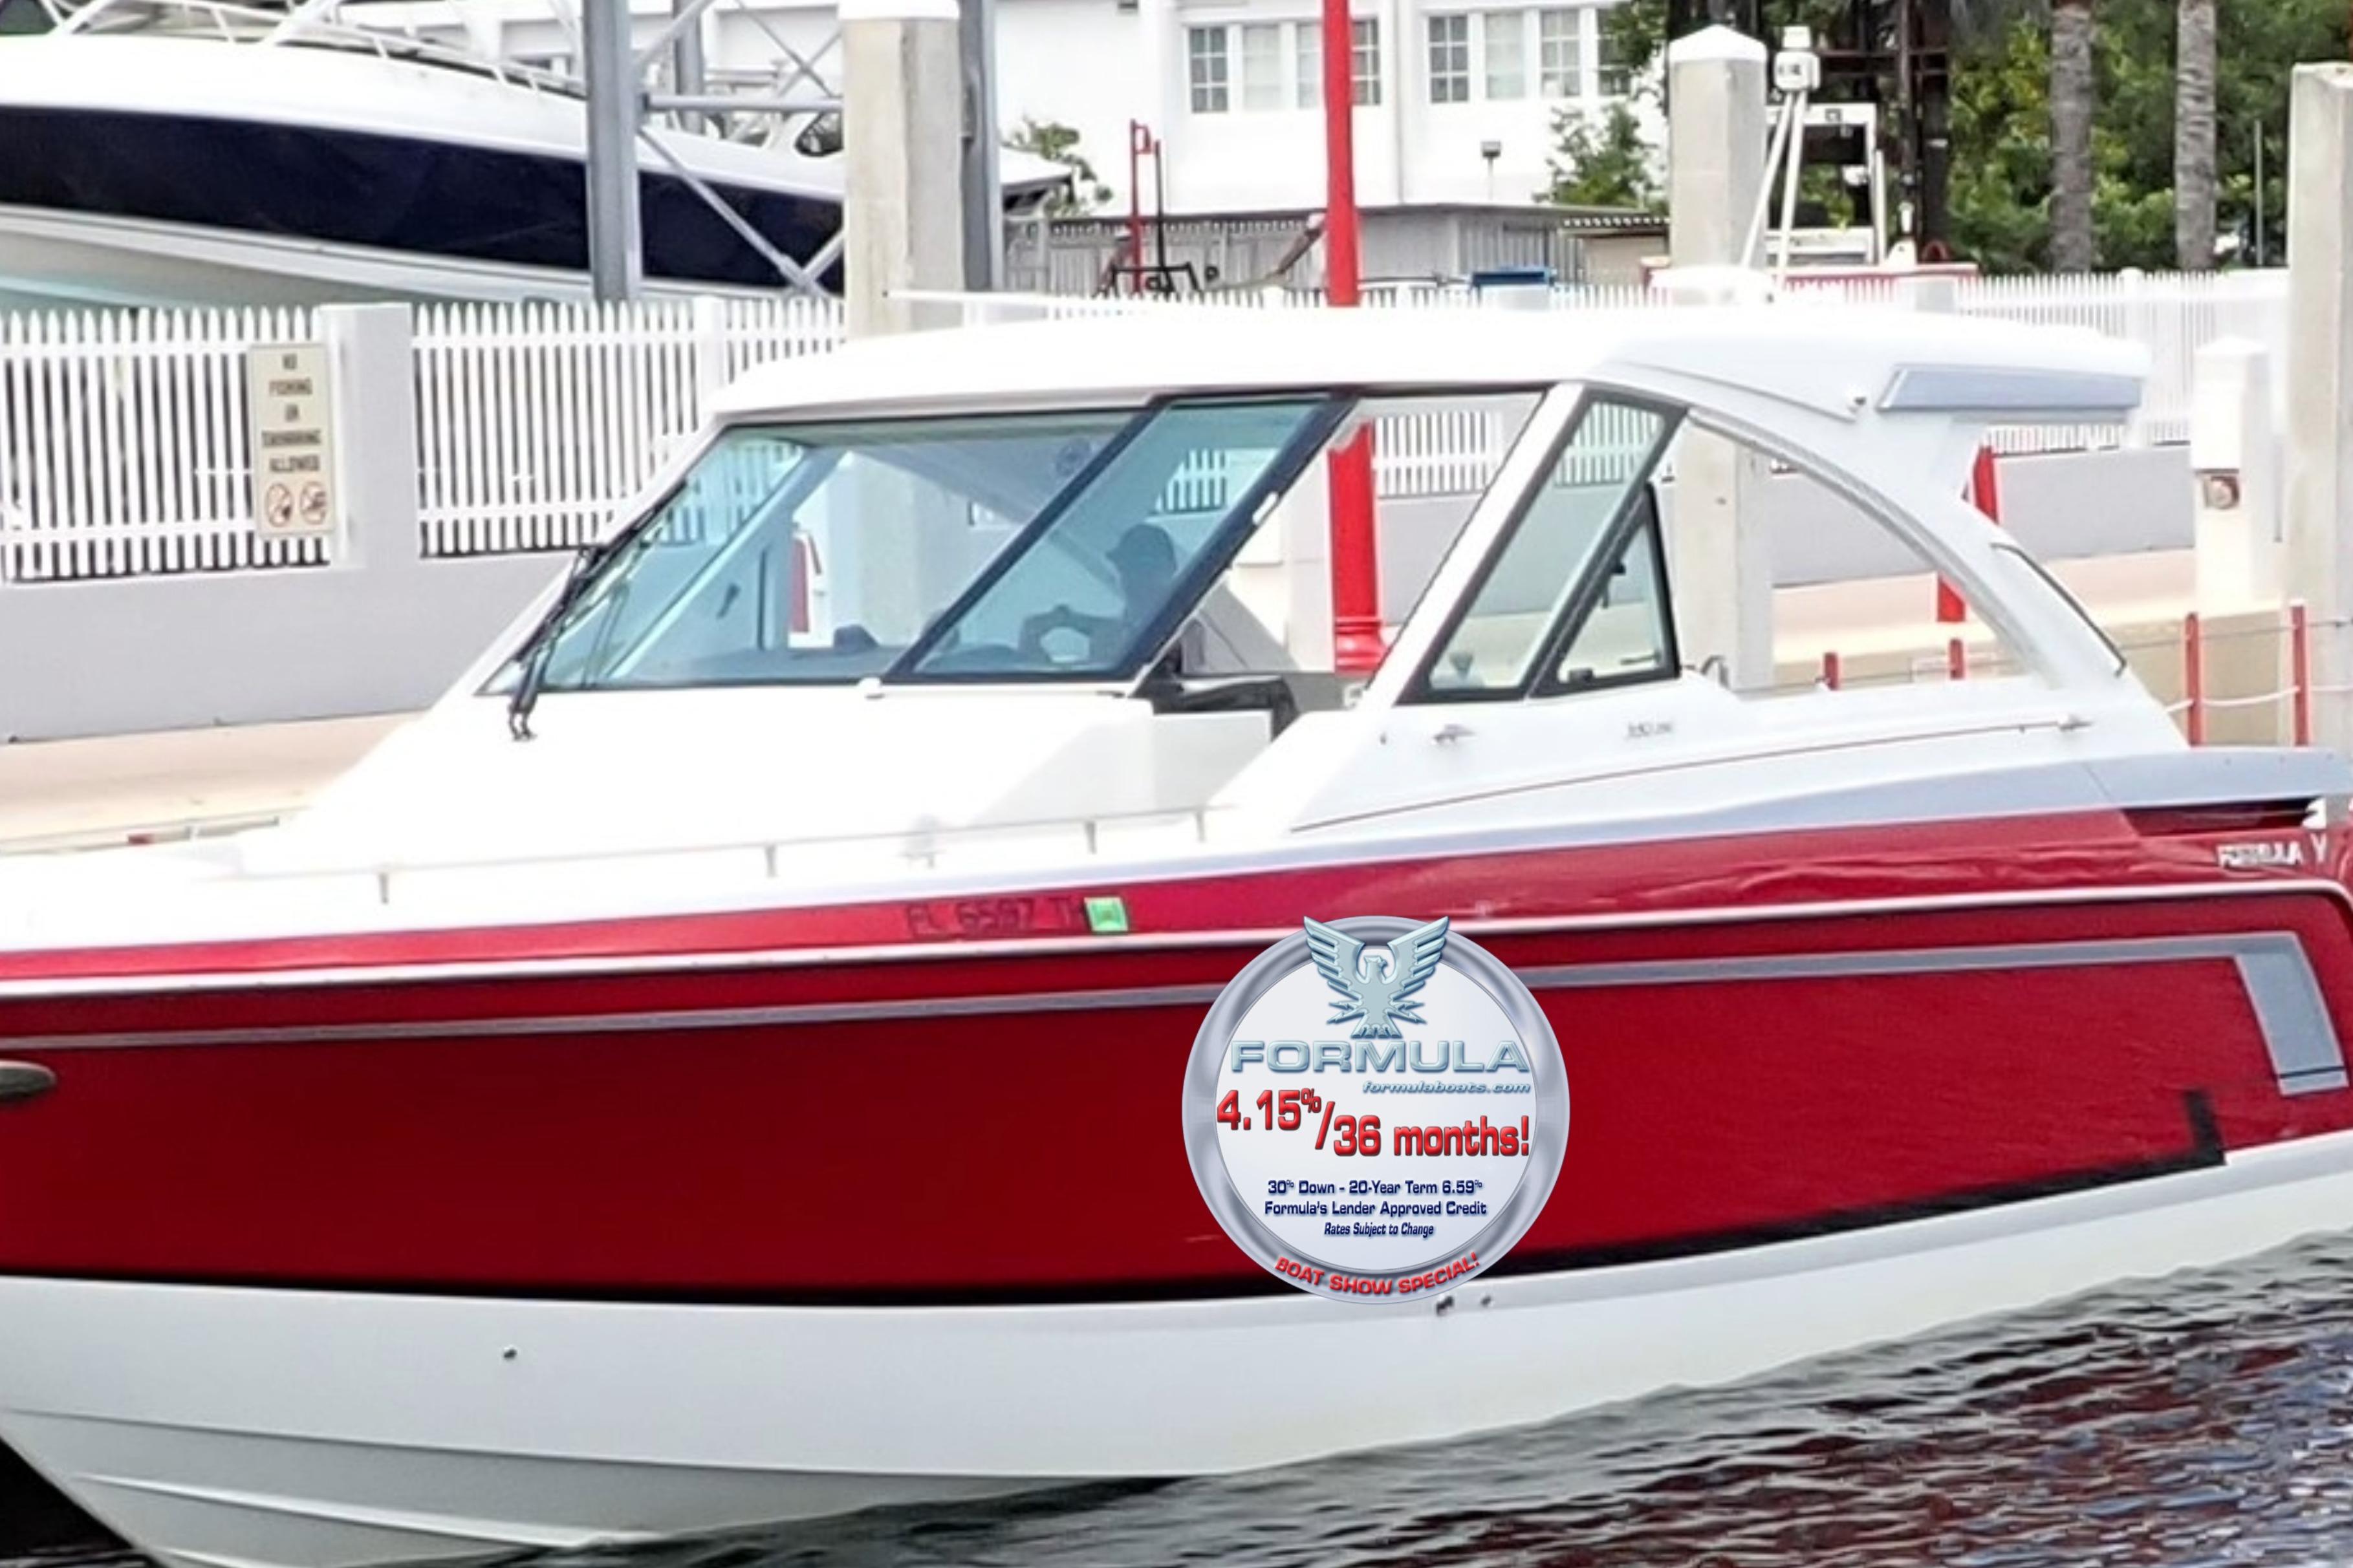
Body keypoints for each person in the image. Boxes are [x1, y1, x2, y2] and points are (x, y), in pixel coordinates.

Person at [1018, 524, 1179, 666]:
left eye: (1146, 569)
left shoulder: (1185, 628)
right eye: (1128, 568)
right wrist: (1035, 639)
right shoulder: (1115, 630)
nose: (1135, 578)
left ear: (1170, 568)